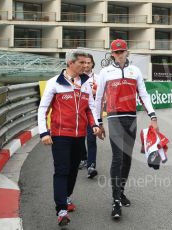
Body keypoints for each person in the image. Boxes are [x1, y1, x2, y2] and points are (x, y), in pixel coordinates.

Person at [95, 39, 159, 219]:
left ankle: (121, 191)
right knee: (117, 158)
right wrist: (98, 122)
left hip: (131, 118)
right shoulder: (105, 72)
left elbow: (144, 94)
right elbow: (98, 98)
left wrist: (153, 116)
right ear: (111, 54)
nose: (119, 54)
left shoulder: (135, 71)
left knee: (127, 158)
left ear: (127, 52)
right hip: (114, 117)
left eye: (122, 51)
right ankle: (115, 201)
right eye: (116, 52)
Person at [38, 50, 101, 226]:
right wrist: (44, 132)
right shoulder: (54, 83)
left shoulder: (86, 83)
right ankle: (61, 210)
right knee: (62, 170)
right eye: (81, 63)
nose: (85, 66)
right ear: (70, 63)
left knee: (73, 170)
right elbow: (43, 109)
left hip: (79, 136)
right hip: (59, 136)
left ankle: (66, 198)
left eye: (87, 63)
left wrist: (94, 124)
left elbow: (89, 108)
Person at [79, 53, 99, 179]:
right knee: (80, 139)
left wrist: (96, 92)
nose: (86, 65)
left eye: (89, 62)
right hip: (79, 113)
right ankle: (83, 158)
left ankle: (91, 166)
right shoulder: (76, 77)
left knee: (91, 139)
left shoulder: (98, 77)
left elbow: (104, 94)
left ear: (92, 64)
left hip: (93, 112)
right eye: (84, 62)